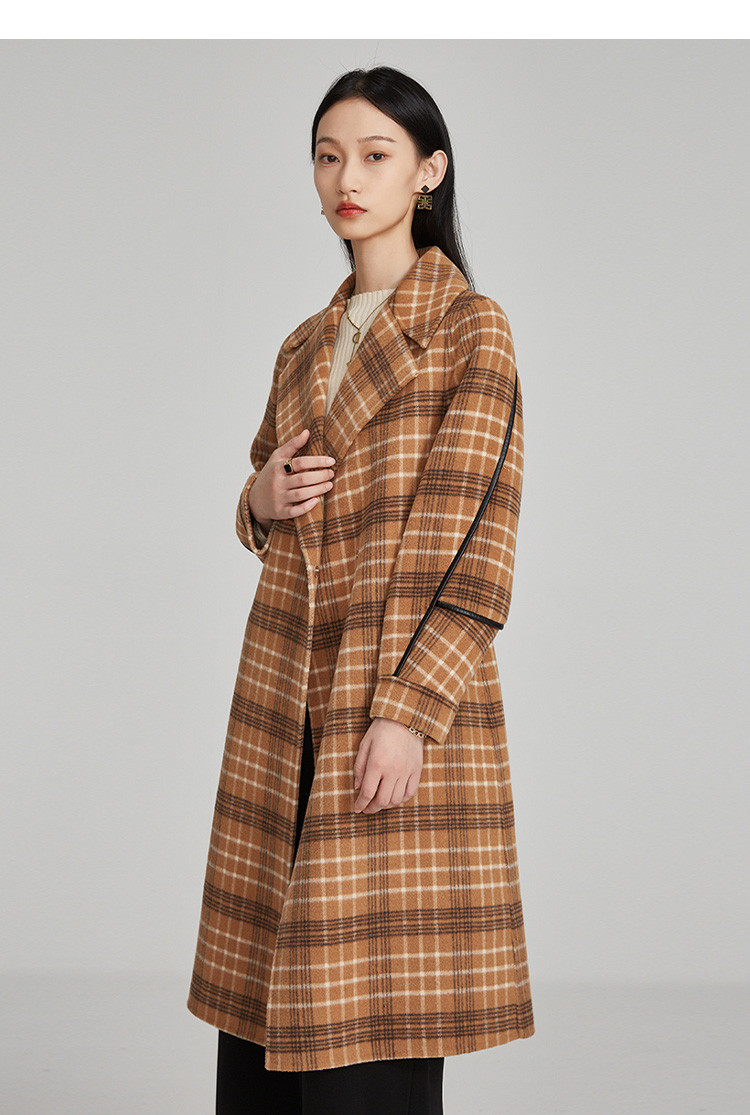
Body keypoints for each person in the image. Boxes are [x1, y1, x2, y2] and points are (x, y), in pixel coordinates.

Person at [187, 65, 534, 1114]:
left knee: (369, 1022)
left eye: (377, 155)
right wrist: (257, 498)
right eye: (329, 155)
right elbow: (270, 500)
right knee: (263, 1022)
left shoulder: (470, 327)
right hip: (283, 690)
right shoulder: (304, 342)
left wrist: (408, 713)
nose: (348, 177)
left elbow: (476, 545)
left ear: (429, 172)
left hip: (388, 695)